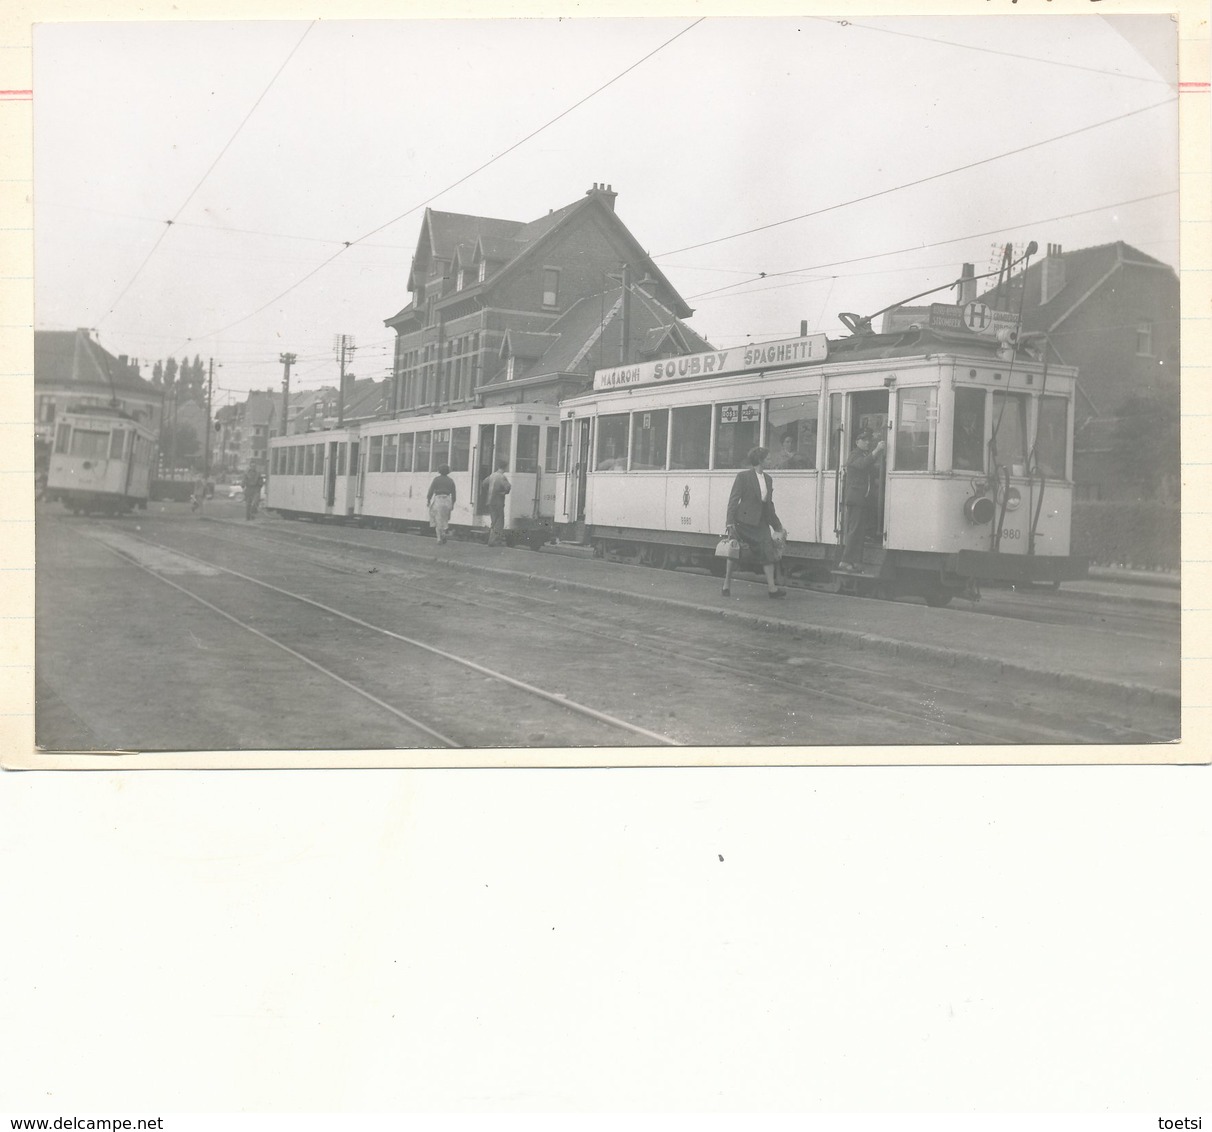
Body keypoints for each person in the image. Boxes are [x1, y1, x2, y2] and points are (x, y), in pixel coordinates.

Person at [722, 446, 788, 599]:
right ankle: (726, 584)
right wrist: (729, 522)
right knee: (734, 552)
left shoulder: (768, 479)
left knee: (768, 552)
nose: (771, 461)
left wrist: (777, 525)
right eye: (768, 458)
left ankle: (772, 589)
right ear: (760, 460)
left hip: (760, 522)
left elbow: (768, 505)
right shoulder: (743, 477)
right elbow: (733, 500)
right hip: (742, 522)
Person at [837, 429, 886, 571]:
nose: (867, 442)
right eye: (864, 440)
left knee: (859, 531)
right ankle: (845, 561)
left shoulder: (863, 455)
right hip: (856, 498)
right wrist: (876, 451)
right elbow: (863, 464)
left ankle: (855, 561)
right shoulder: (854, 455)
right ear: (857, 442)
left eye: (868, 440)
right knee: (854, 531)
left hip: (862, 499)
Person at [481, 458, 511, 546]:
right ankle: (494, 541)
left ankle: (491, 539)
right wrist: (504, 492)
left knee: (494, 520)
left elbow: (484, 483)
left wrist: (490, 490)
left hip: (490, 500)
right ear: (505, 467)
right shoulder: (502, 477)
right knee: (499, 520)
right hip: (498, 500)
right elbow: (507, 487)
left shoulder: (492, 475)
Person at [426, 463, 457, 544]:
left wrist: (428, 500)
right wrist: (453, 503)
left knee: (437, 519)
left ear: (439, 471)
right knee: (444, 519)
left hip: (438, 499)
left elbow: (431, 491)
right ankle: (443, 533)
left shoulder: (436, 479)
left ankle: (439, 538)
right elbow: (454, 494)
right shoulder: (451, 480)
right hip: (447, 499)